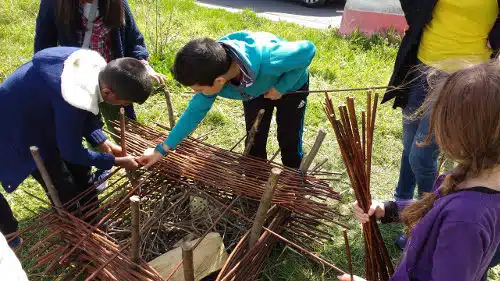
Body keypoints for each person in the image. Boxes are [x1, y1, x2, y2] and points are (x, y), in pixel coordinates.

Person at [343, 62, 500, 281]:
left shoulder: (465, 221)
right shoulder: (471, 176)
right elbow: (433, 209)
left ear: (465, 133)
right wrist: (386, 209)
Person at [0, 46, 151, 247]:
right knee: (62, 185)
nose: (123, 107)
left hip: (44, 114)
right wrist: (113, 161)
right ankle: (79, 239)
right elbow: (70, 151)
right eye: (124, 102)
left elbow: (84, 111)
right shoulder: (72, 95)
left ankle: (93, 225)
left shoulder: (95, 72)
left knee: (82, 173)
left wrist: (101, 140)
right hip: (20, 129)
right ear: (108, 92)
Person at [137, 30, 316, 169]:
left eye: (198, 89)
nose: (197, 93)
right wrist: (161, 150)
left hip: (291, 87)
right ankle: (256, 182)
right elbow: (193, 113)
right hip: (252, 89)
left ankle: (293, 177)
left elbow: (308, 50)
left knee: (289, 136)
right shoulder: (213, 70)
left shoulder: (270, 59)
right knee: (255, 136)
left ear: (220, 81)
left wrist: (282, 87)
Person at [383, 0, 500, 201]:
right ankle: (402, 199)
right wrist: (418, 16)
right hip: (422, 63)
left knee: (421, 156)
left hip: (464, 76)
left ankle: (427, 212)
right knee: (409, 140)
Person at [34, 0, 165, 133]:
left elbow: (133, 38)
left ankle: (127, 150)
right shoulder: (53, 4)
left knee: (124, 127)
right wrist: (47, 80)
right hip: (78, 81)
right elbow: (43, 44)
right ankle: (100, 150)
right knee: (89, 127)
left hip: (113, 79)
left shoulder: (117, 3)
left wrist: (143, 64)